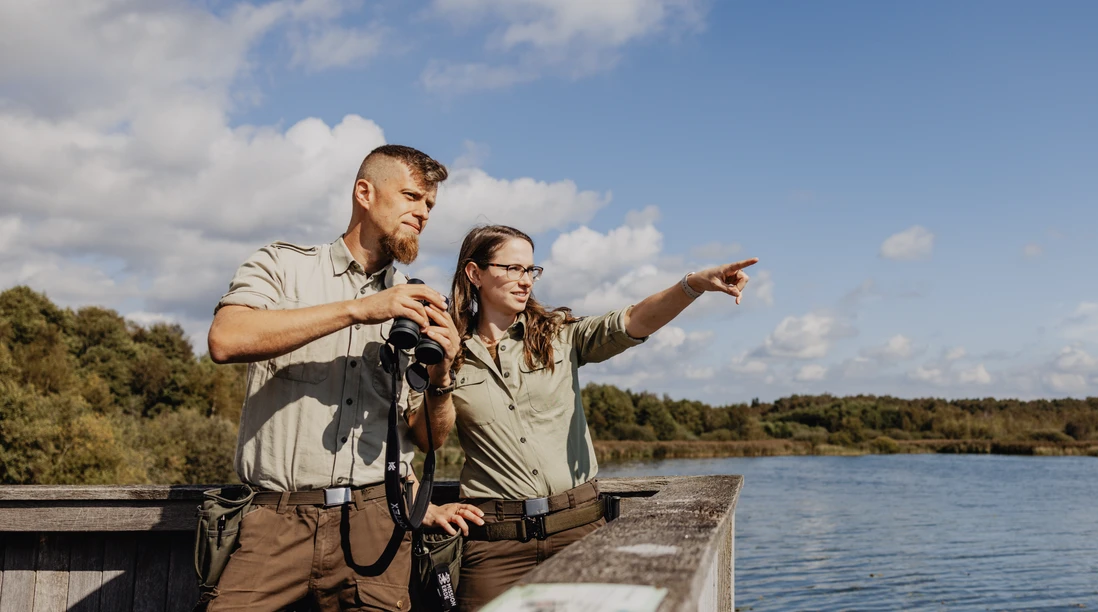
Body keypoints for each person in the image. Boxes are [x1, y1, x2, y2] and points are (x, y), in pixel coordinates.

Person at [415, 224, 757, 608]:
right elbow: (428, 440)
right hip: (493, 542)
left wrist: (693, 284)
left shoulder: (559, 335)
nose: (525, 280)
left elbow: (632, 321)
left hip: (578, 528)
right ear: (474, 274)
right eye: (512, 269)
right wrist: (440, 376)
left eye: (531, 270)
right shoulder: (445, 351)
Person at [204, 144, 484, 611]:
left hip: (376, 522)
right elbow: (226, 339)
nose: (423, 213)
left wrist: (440, 379)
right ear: (364, 193)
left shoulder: (413, 306)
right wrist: (357, 310)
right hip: (276, 518)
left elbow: (426, 441)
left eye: (430, 205)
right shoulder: (283, 265)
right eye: (412, 197)